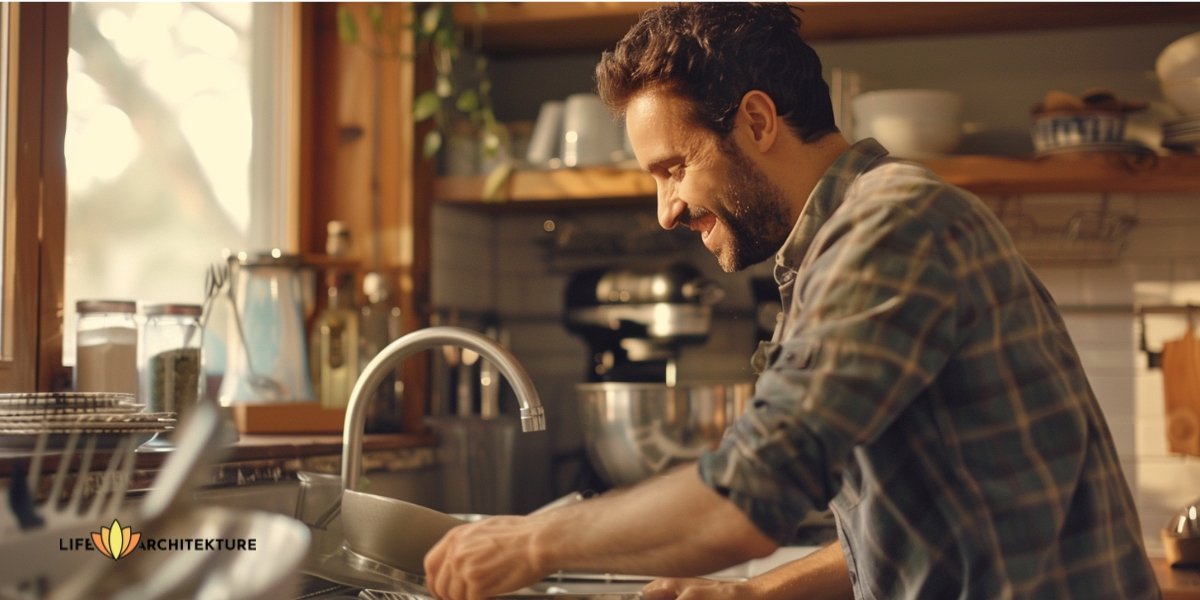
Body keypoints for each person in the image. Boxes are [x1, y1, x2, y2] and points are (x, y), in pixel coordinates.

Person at [423, 4, 1160, 599]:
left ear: (757, 121)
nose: (665, 211)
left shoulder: (893, 225)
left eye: (673, 167)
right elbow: (910, 526)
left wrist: (532, 541)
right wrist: (756, 595)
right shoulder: (843, 242)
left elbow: (753, 494)